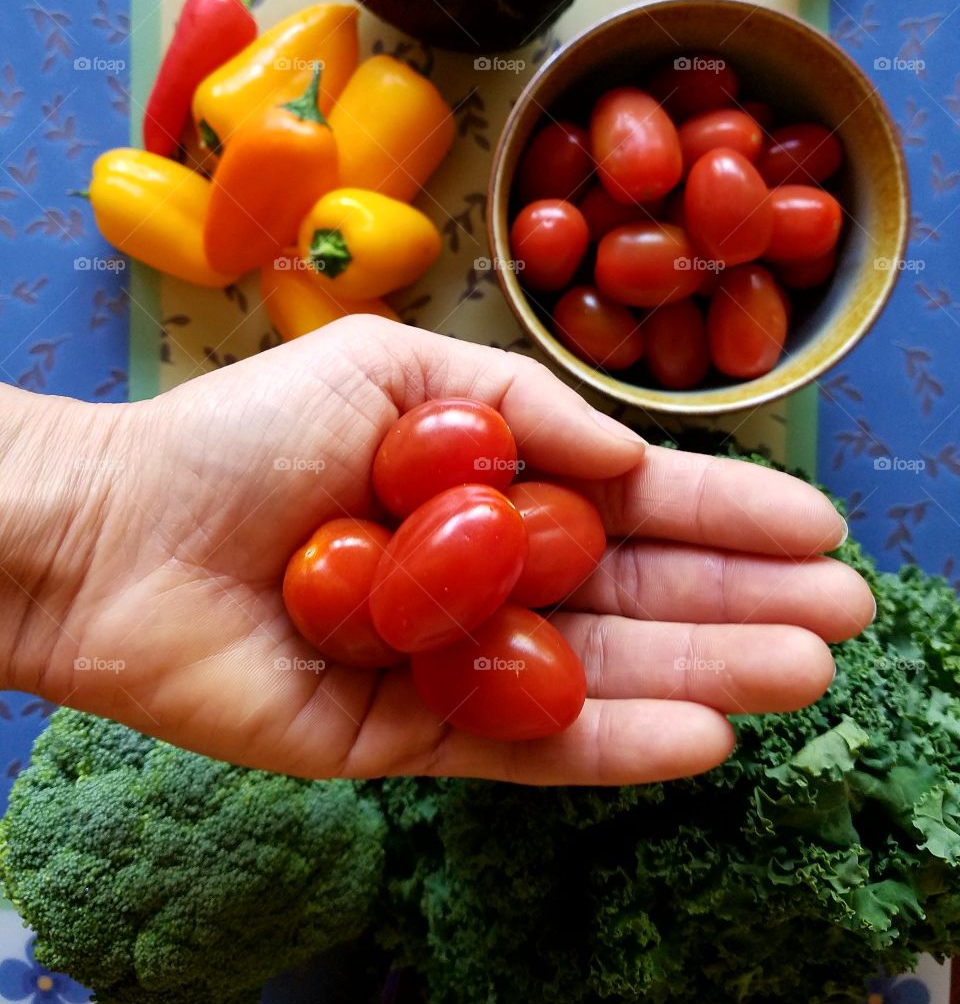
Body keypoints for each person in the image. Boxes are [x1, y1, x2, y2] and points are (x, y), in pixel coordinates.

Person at [0, 316, 874, 787]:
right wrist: (102, 502)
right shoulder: (405, 578)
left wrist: (99, 507)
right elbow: (437, 582)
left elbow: (461, 575)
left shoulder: (447, 565)